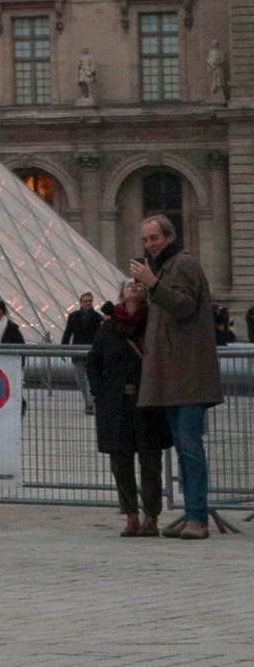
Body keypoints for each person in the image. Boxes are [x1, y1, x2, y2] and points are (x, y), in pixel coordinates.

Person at [130, 213, 224, 539]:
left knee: (190, 448)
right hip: (173, 376)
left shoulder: (182, 265)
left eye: (154, 238)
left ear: (169, 237)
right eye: (145, 240)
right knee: (184, 449)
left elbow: (184, 305)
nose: (149, 245)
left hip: (188, 375)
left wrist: (153, 284)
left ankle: (197, 517)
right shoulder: (164, 268)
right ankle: (191, 514)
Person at [84, 281, 172, 537]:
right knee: (120, 462)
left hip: (148, 401)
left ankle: (151, 517)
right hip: (115, 402)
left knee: (150, 461)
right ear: (121, 293)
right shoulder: (108, 327)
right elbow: (93, 361)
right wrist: (100, 392)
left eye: (139, 285)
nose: (135, 287)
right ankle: (131, 515)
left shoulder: (154, 323)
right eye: (130, 285)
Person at [62, 291, 102, 414]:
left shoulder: (97, 317)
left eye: (90, 301)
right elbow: (68, 333)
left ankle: (90, 404)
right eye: (86, 301)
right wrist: (63, 349)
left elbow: (101, 336)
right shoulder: (73, 316)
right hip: (78, 352)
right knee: (80, 380)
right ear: (80, 302)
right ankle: (88, 401)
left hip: (92, 353)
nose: (88, 303)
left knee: (89, 379)